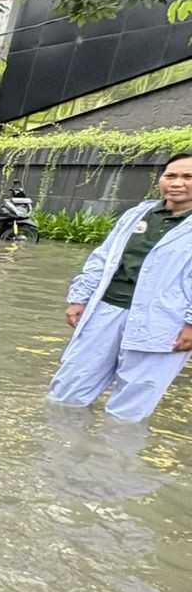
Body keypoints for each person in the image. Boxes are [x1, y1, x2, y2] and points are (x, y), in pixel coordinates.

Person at [48, 153, 192, 421]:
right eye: (171, 175)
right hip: (107, 308)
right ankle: (60, 444)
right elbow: (103, 257)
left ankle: (115, 448)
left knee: (132, 403)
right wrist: (79, 298)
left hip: (164, 321)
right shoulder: (138, 214)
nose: (177, 183)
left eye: (188, 177)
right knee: (69, 388)